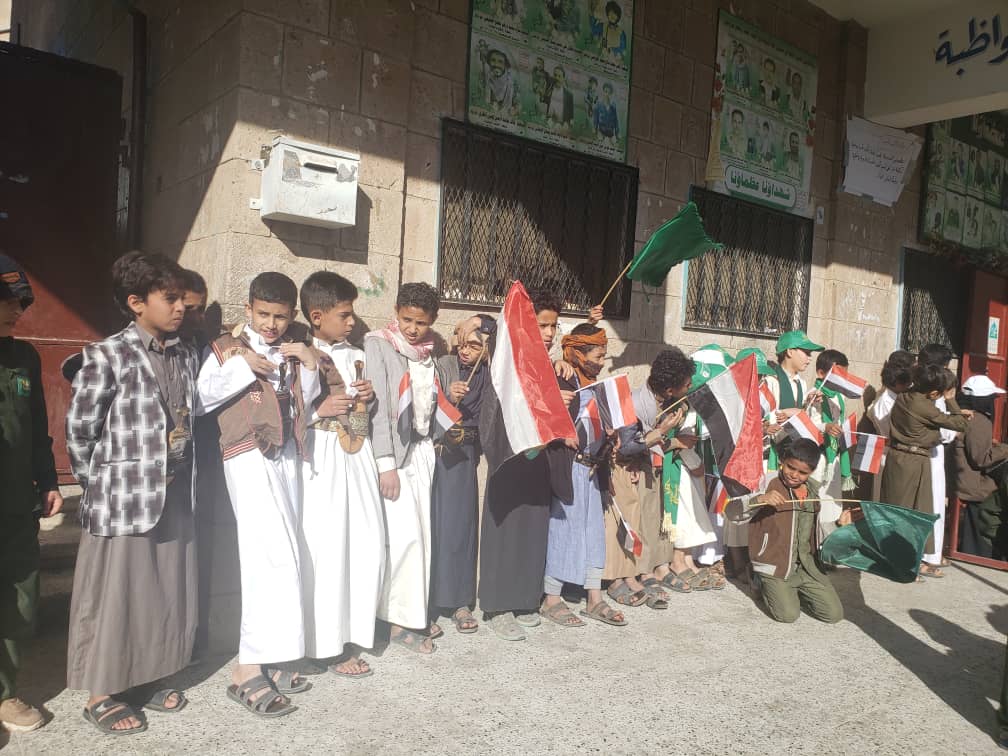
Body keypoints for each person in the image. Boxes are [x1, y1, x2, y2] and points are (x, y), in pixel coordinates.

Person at [66, 252, 199, 734]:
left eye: (183, 298)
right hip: (122, 498)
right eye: (171, 298)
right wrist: (100, 484)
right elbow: (80, 432)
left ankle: (146, 676)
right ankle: (101, 693)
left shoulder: (184, 354)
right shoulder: (106, 355)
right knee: (114, 597)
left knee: (161, 591)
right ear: (136, 303)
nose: (181, 307)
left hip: (174, 494)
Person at [197, 271, 320, 717]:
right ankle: (245, 669)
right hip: (247, 455)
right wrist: (242, 366)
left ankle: (276, 655)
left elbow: (306, 400)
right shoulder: (226, 348)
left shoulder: (293, 346)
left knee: (290, 554)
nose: (271, 324)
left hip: (287, 456)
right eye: (263, 314)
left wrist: (309, 363)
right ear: (248, 308)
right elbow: (202, 397)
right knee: (267, 555)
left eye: (280, 317)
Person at [298, 271, 383, 678]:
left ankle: (353, 632)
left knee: (363, 542)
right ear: (317, 316)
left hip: (357, 455)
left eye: (352, 315)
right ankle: (324, 643)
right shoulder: (299, 355)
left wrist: (368, 398)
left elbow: (364, 413)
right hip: (322, 458)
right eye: (344, 315)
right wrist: (318, 411)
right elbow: (282, 410)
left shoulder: (355, 354)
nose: (352, 322)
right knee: (327, 547)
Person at [478, 288, 563, 641]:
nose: (550, 333)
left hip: (539, 457)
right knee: (505, 529)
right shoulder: (506, 357)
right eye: (542, 325)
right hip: (509, 454)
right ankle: (497, 605)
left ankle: (525, 598)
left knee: (532, 527)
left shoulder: (550, 364)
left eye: (554, 326)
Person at [0, 255, 62, 734]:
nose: (17, 310)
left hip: (16, 502)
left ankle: (5, 692)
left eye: (21, 302)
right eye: (7, 301)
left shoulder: (24, 357)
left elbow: (37, 426)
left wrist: (49, 481)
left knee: (20, 596)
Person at [365, 282, 445, 654]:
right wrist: (386, 465)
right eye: (407, 320)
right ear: (396, 312)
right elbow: (379, 408)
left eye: (421, 323)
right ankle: (395, 621)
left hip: (423, 450)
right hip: (396, 457)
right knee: (401, 537)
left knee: (419, 537)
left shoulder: (429, 352)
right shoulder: (378, 344)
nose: (412, 329)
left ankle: (412, 612)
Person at [542, 324, 627, 627]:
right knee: (563, 530)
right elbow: (546, 419)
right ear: (578, 353)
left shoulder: (598, 386)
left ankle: (594, 597)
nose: (602, 362)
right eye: (597, 356)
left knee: (593, 534)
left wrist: (611, 437)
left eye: (604, 356)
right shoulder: (563, 379)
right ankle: (552, 598)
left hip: (593, 471)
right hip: (571, 468)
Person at [726, 439, 844, 624]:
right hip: (775, 564)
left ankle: (794, 590)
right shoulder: (767, 482)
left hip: (806, 566)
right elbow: (731, 512)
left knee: (833, 615)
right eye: (790, 467)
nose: (794, 475)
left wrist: (839, 525)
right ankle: (759, 580)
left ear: (811, 471)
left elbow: (816, 530)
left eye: (802, 472)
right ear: (783, 460)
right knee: (788, 615)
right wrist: (760, 499)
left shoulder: (813, 491)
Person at [431, 315, 493, 634]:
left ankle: (458, 601)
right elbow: (424, 403)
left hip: (466, 455)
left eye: (474, 345)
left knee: (461, 528)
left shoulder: (490, 372)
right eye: (462, 344)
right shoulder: (444, 365)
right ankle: (429, 601)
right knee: (434, 527)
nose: (466, 351)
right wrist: (447, 395)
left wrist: (478, 319)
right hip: (439, 452)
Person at [880, 363, 970, 578]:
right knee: (914, 513)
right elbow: (961, 424)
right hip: (914, 461)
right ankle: (907, 563)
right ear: (934, 392)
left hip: (898, 458)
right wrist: (951, 400)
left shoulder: (905, 396)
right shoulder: (923, 405)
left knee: (897, 510)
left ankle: (902, 560)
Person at [953, 375, 1008, 559]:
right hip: (972, 485)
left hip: (959, 478)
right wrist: (1004, 448)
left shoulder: (959, 414)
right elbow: (981, 459)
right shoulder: (979, 421)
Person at [918, 344, 958, 576]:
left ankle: (932, 554)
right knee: (929, 505)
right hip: (929, 452)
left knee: (933, 504)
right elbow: (945, 430)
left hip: (933, 454)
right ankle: (925, 556)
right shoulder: (933, 394)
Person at [809, 349, 853, 499]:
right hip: (818, 455)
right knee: (817, 497)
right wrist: (825, 427)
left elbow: (839, 419)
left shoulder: (840, 396)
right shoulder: (814, 395)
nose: (842, 380)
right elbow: (809, 423)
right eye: (837, 375)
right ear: (821, 373)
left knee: (832, 500)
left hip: (834, 453)